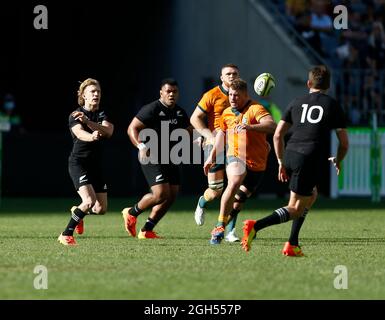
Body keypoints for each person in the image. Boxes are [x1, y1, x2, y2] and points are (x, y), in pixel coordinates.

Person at [242, 65, 349, 255]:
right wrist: (339, 160)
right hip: (309, 157)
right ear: (329, 85)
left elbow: (277, 135)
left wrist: (281, 161)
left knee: (311, 195)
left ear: (308, 83)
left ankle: (292, 243)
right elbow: (344, 143)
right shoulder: (332, 105)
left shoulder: (296, 101)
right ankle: (255, 226)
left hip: (291, 153)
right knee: (296, 208)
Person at [204, 78, 276, 245]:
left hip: (257, 163)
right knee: (234, 181)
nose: (232, 98)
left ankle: (229, 226)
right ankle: (219, 226)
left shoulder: (255, 109)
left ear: (245, 95)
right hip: (235, 155)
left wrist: (250, 127)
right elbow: (221, 134)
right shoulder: (227, 113)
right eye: (230, 95)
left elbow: (271, 126)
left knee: (238, 202)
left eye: (236, 95)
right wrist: (211, 156)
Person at [122, 78, 190, 239]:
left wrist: (200, 138)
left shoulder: (180, 112)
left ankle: (147, 230)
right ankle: (131, 213)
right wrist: (141, 146)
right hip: (151, 155)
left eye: (174, 91)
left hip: (171, 156)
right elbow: (132, 128)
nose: (171, 94)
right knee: (160, 194)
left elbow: (188, 130)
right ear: (161, 92)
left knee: (172, 195)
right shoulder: (152, 109)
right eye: (168, 91)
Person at [58, 78, 114, 246]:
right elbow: (80, 134)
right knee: (88, 202)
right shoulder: (75, 115)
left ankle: (78, 211)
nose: (96, 94)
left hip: (95, 166)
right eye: (92, 92)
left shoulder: (102, 113)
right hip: (79, 163)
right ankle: (66, 234)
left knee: (100, 209)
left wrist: (90, 123)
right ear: (83, 95)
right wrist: (92, 136)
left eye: (98, 91)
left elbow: (109, 131)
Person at [190, 63, 241, 242]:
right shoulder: (211, 95)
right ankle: (201, 203)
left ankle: (231, 231)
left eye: (234, 73)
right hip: (215, 145)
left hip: (237, 145)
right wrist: (207, 136)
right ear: (221, 77)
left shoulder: (242, 95)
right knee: (215, 191)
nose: (232, 76)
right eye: (228, 74)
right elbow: (194, 117)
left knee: (235, 187)